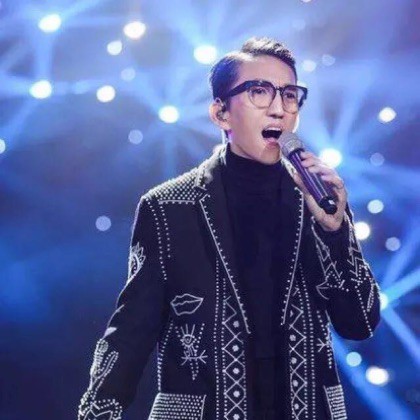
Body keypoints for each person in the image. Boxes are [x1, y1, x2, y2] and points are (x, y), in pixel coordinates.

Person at [78, 37, 381, 420]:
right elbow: (132, 330)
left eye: (290, 95)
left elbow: (360, 323)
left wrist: (337, 234)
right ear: (221, 113)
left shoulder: (318, 199)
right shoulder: (169, 207)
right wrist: (98, 411)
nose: (278, 109)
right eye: (259, 92)